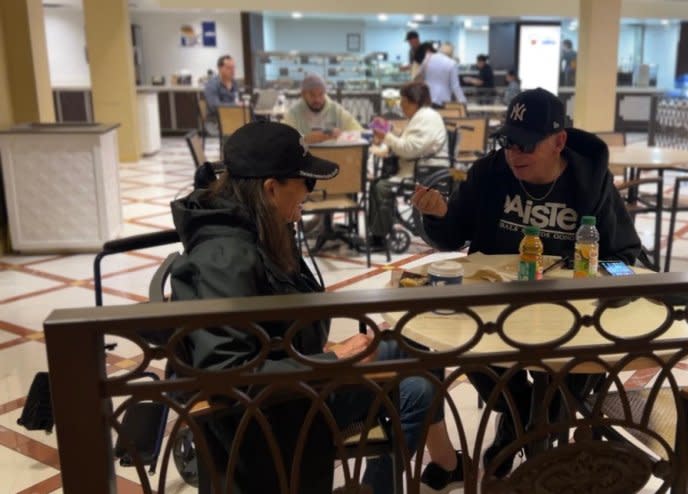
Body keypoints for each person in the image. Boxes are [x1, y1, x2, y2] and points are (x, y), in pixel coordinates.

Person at [169, 121, 461, 494]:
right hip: (279, 408)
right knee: (416, 389)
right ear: (271, 189)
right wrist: (331, 360)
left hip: (294, 372)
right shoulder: (225, 255)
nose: (312, 189)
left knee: (419, 352)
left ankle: (443, 465)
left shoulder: (255, 224)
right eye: (305, 181)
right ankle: (381, 485)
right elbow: (230, 376)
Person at [411, 88, 642, 477]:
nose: (514, 154)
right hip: (497, 308)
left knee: (573, 376)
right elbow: (452, 235)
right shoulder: (490, 173)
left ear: (559, 142)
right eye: (507, 142)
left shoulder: (591, 181)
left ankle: (527, 447)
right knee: (475, 355)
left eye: (525, 145)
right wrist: (437, 214)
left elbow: (623, 252)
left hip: (572, 314)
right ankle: (524, 428)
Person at [368, 82, 449, 250]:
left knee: (380, 187)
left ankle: (378, 236)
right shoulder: (422, 116)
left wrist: (387, 136)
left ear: (414, 101)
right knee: (377, 183)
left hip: (424, 172)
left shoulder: (426, 117)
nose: (401, 105)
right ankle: (377, 232)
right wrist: (390, 131)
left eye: (404, 101)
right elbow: (410, 143)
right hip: (419, 168)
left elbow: (409, 149)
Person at [284, 73, 362, 144]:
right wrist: (305, 139)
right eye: (312, 95)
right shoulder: (294, 114)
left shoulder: (336, 110)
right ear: (303, 94)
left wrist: (341, 135)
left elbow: (358, 132)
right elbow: (282, 140)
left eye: (321, 94)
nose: (317, 99)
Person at [203, 55, 240, 135]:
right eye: (229, 68)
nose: (233, 71)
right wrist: (236, 105)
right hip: (215, 121)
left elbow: (237, 99)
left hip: (233, 118)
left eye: (234, 68)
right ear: (220, 68)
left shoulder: (234, 83)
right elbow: (215, 106)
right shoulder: (212, 85)